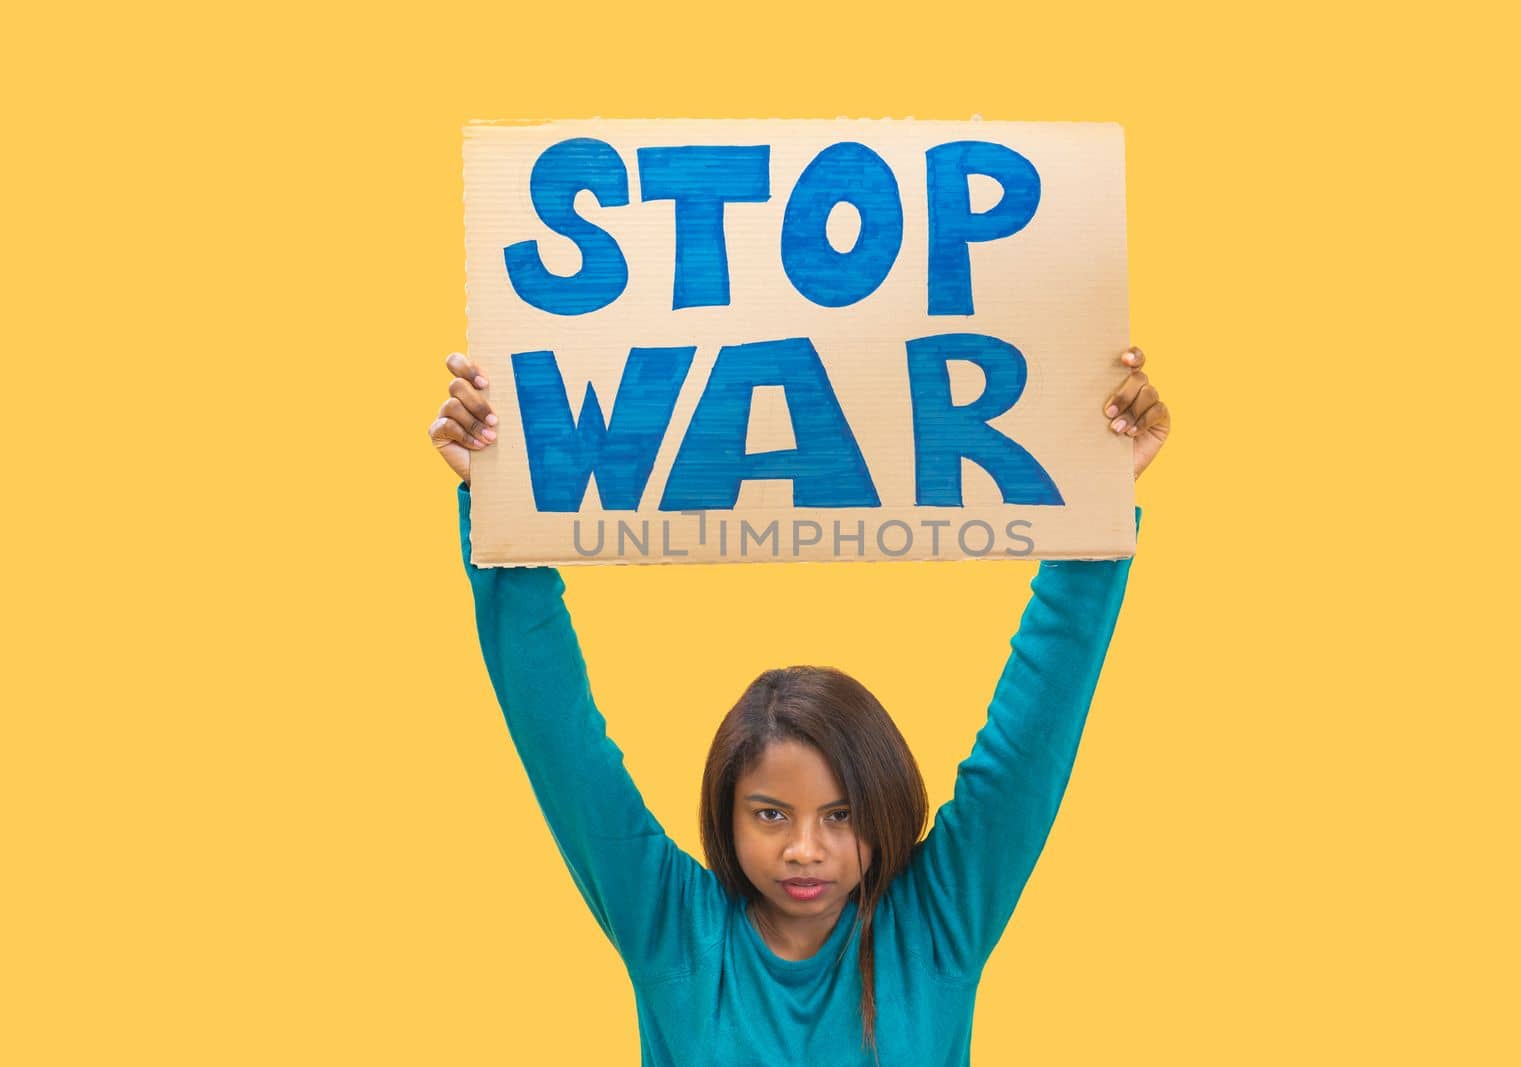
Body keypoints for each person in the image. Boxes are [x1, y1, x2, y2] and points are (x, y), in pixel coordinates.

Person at [428, 348, 1170, 1066]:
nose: (805, 850)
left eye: (841, 815)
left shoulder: (935, 925)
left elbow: (1028, 741)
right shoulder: (676, 932)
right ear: (727, 812)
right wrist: (498, 501)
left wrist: (1096, 503)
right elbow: (564, 742)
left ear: (882, 807)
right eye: (771, 813)